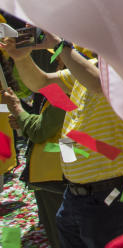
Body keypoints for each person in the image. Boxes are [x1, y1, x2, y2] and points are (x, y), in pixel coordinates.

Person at [0, 34, 123, 248]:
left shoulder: (120, 72)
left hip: (100, 191)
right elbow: (41, 83)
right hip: (70, 187)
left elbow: (41, 130)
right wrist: (22, 59)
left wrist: (19, 111)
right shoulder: (75, 81)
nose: (61, 61)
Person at [4, 82, 66, 248]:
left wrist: (18, 109)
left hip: (56, 175)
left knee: (61, 233)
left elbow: (41, 130)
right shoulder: (55, 86)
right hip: (48, 172)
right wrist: (24, 120)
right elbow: (42, 120)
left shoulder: (67, 88)